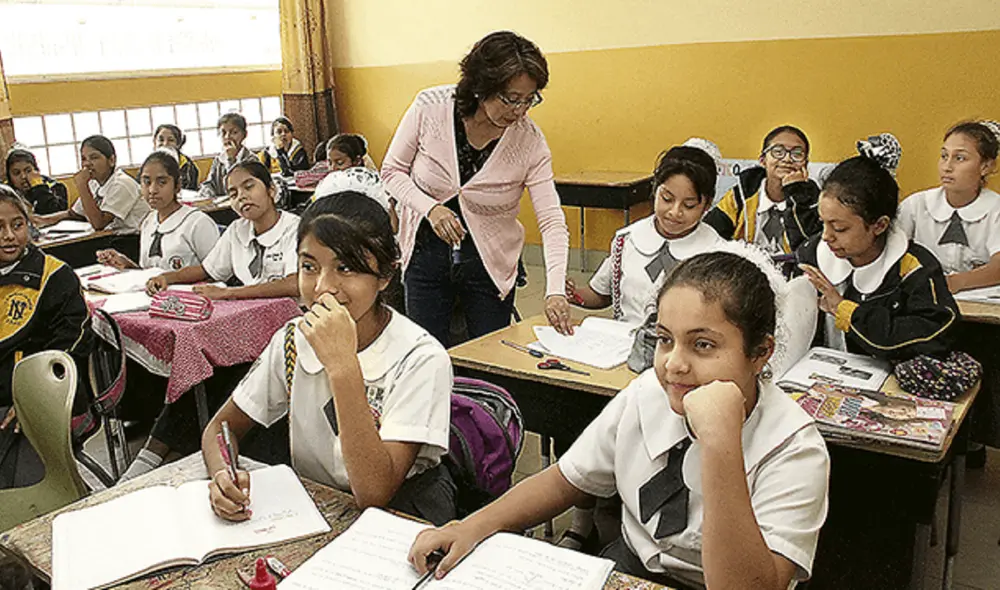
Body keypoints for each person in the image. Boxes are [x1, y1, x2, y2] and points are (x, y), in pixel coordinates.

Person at [408, 249, 830, 589]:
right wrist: (471, 526)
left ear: (760, 353)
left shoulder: (793, 447)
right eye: (665, 340)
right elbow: (565, 480)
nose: (675, 365)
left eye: (703, 345)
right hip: (632, 569)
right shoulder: (646, 394)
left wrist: (720, 445)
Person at [201, 194, 456, 524]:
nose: (323, 287)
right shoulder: (292, 339)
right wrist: (223, 473)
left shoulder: (421, 358)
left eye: (345, 268)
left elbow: (374, 492)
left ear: (386, 276)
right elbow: (220, 428)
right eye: (309, 267)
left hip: (402, 516)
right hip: (314, 509)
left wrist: (343, 366)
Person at [382, 31, 571, 346]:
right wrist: (431, 208)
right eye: (511, 98)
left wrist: (554, 290)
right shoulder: (430, 107)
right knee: (426, 355)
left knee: (491, 355)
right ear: (482, 86)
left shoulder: (530, 141)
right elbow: (391, 171)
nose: (520, 110)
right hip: (425, 256)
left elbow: (551, 219)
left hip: (490, 262)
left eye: (530, 99)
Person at [798, 154, 959, 361]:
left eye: (839, 228)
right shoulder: (812, 253)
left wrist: (845, 311)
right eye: (823, 223)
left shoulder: (914, 268)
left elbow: (937, 333)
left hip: (883, 382)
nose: (826, 236)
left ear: (880, 225)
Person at [0, 185, 94, 489]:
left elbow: (70, 345)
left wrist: (31, 398)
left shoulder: (56, 276)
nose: (9, 236)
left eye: (17, 224)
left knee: (19, 493)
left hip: (41, 399)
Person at [567, 143, 724, 325]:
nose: (675, 212)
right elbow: (602, 294)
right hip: (628, 345)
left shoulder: (716, 253)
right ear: (655, 189)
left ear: (707, 205)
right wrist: (573, 295)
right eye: (667, 198)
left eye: (688, 205)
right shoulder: (627, 240)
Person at [146, 160, 298, 300]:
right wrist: (167, 277)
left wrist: (229, 293)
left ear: (271, 190)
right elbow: (206, 270)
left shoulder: (295, 228)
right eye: (233, 194)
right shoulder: (237, 230)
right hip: (254, 310)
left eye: (249, 187)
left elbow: (294, 284)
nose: (242, 197)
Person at [898, 121, 1000, 293]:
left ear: (986, 166)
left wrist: (955, 282)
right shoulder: (916, 205)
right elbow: (888, 255)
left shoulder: (995, 209)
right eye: (944, 156)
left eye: (960, 158)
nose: (947, 167)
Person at [95, 149, 219, 272]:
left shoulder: (197, 223)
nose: (152, 190)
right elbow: (150, 272)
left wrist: (170, 279)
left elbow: (216, 272)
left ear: (177, 185)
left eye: (162, 182)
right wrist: (126, 263)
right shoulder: (148, 222)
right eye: (146, 182)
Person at [704, 125, 822, 255]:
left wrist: (795, 192)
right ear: (762, 160)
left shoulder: (814, 199)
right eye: (778, 151)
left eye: (797, 154)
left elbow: (811, 246)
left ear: (805, 163)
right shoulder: (743, 193)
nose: (787, 159)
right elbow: (710, 233)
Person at [34, 135, 149, 234]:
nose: (87, 164)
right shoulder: (94, 183)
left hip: (132, 240)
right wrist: (43, 220)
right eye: (84, 159)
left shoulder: (122, 184)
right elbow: (74, 213)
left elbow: (99, 223)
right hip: (109, 238)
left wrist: (82, 186)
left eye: (94, 157)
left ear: (111, 160)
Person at [198, 113, 258, 199]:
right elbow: (209, 183)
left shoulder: (251, 159)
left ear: (244, 135)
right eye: (223, 133)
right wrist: (207, 192)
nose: (227, 137)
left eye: (234, 132)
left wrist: (231, 159)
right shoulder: (219, 159)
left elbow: (236, 184)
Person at [3, 148, 68, 214]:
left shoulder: (56, 187)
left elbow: (56, 215)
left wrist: (39, 188)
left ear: (37, 171)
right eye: (16, 173)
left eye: (28, 171)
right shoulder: (4, 193)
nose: (23, 176)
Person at [153, 124, 200, 190]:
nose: (165, 144)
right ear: (154, 142)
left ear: (178, 144)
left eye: (171, 140)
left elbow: (187, 190)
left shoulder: (187, 165)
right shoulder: (148, 163)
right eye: (161, 140)